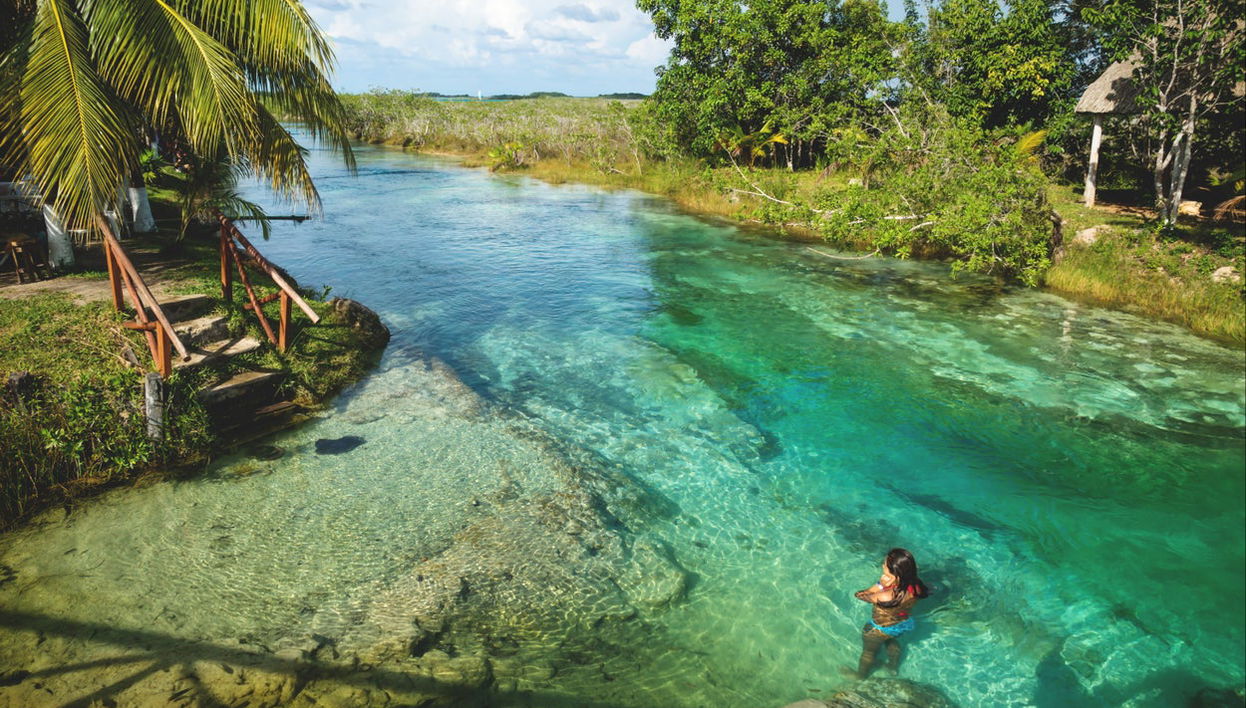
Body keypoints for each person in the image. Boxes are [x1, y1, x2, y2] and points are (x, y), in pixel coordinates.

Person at [848, 547, 929, 679]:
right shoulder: (916, 585)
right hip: (902, 624)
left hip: (880, 628)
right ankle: (893, 667)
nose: (882, 565)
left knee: (868, 653)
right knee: (891, 641)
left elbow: (861, 595)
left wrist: (880, 584)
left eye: (885, 564)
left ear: (894, 572)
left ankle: (860, 676)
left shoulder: (886, 595)